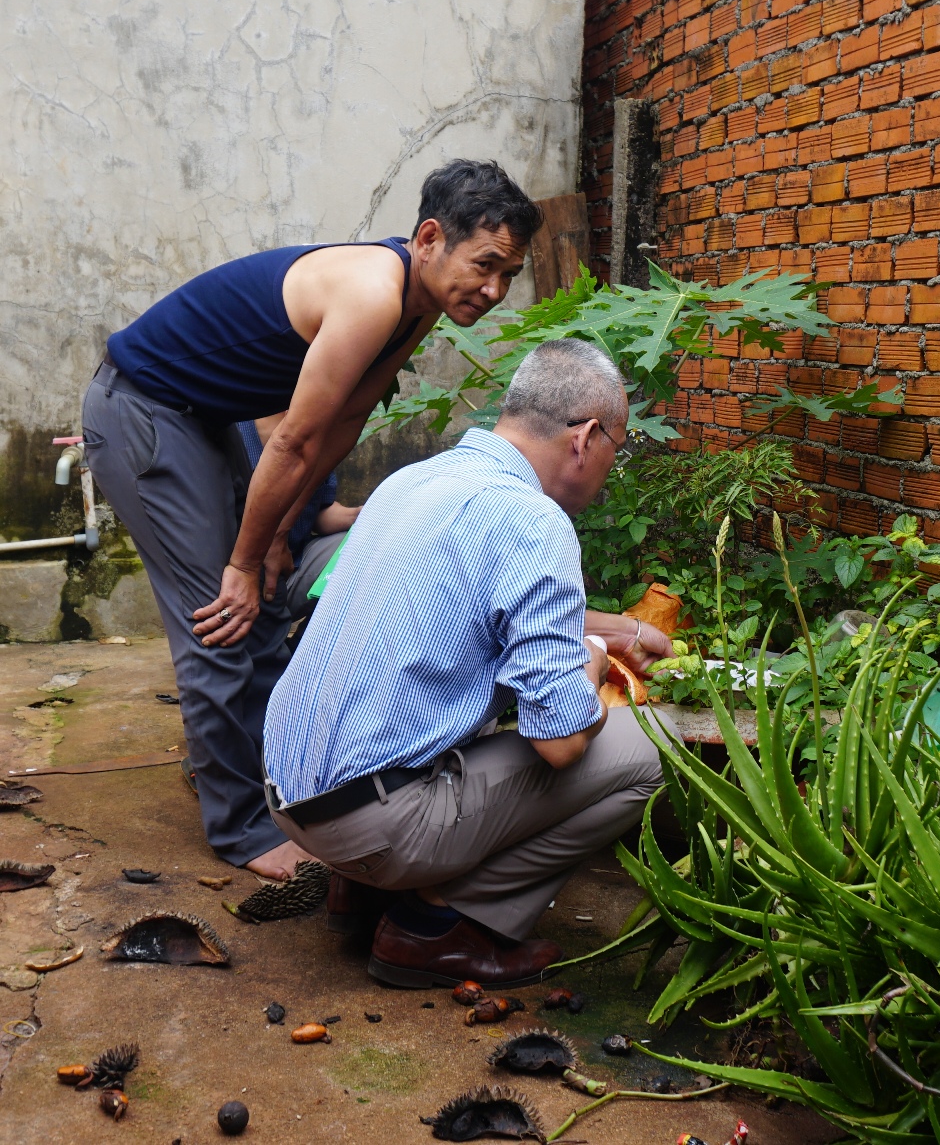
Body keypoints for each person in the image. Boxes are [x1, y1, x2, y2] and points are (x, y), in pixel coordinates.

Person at [81, 161, 541, 879]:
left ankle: (273, 787)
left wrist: (278, 536)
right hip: (143, 410)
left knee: (263, 603)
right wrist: (241, 561)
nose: (494, 290)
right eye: (485, 266)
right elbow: (292, 438)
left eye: (509, 274)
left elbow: (344, 423)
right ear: (429, 238)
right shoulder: (370, 293)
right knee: (220, 618)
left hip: (204, 418)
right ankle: (241, 829)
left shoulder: (416, 305)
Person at [261, 339, 672, 988]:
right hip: (374, 826)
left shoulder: (416, 481)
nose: (606, 468)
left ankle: (358, 894)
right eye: (615, 451)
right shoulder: (535, 523)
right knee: (650, 748)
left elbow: (466, 607)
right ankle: (438, 928)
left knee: (440, 690)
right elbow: (561, 741)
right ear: (586, 437)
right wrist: (591, 656)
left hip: (290, 794)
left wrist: (613, 627)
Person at [237, 414, 361, 626]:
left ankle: (313, 641)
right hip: (242, 572)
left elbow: (320, 512)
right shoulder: (235, 428)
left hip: (294, 567)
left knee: (361, 544)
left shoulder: (315, 430)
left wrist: (361, 515)